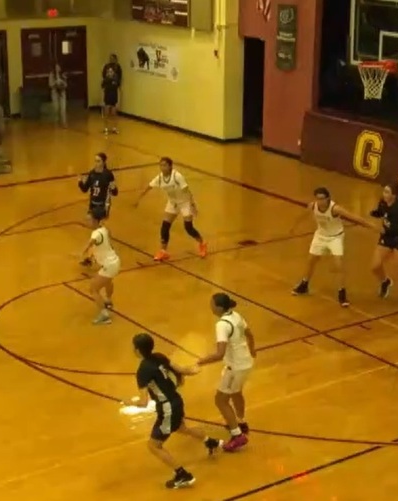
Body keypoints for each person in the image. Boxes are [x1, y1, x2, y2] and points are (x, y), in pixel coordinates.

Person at [124, 333, 222, 489]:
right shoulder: (159, 356)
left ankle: (182, 474)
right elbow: (182, 369)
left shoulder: (143, 370)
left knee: (154, 445)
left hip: (167, 407)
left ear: (137, 350)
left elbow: (143, 402)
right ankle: (211, 442)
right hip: (176, 400)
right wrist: (195, 368)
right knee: (182, 428)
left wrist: (129, 402)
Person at [290, 187, 377, 307]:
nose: (320, 201)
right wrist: (295, 226)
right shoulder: (313, 206)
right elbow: (303, 215)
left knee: (338, 264)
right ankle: (304, 284)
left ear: (328, 198)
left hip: (335, 237)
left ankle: (342, 292)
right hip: (320, 235)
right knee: (311, 260)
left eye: (322, 198)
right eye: (318, 198)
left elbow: (354, 218)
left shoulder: (335, 209)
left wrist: (371, 226)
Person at [195, 293, 255, 453]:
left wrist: (202, 361)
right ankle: (241, 423)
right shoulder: (236, 315)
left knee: (220, 400)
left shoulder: (222, 324)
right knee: (236, 393)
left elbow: (220, 353)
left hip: (234, 367)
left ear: (219, 307)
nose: (210, 306)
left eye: (212, 304)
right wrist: (252, 349)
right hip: (246, 363)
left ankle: (237, 436)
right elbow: (249, 333)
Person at [133, 157, 208, 261]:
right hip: (173, 202)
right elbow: (149, 187)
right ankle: (163, 251)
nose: (162, 168)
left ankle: (202, 243)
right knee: (165, 226)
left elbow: (186, 190)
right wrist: (139, 199)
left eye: (164, 165)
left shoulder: (177, 176)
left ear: (170, 166)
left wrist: (193, 205)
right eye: (161, 165)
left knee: (188, 227)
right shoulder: (159, 178)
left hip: (184, 202)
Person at [79, 208, 120, 325]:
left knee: (93, 289)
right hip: (115, 261)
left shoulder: (96, 233)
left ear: (96, 221)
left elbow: (90, 243)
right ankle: (108, 300)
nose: (87, 222)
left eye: (89, 220)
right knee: (108, 281)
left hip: (109, 264)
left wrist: (80, 253)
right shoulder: (104, 229)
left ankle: (104, 315)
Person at [101, 65, 120, 135]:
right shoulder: (105, 80)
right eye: (108, 71)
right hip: (107, 99)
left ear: (113, 72)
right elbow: (102, 90)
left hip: (114, 99)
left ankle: (114, 128)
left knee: (114, 114)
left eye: (111, 71)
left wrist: (118, 101)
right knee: (106, 114)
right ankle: (106, 128)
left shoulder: (116, 80)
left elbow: (118, 90)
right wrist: (102, 101)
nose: (110, 73)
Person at [48, 63, 67, 127]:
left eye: (58, 67)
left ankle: (64, 123)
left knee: (63, 108)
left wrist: (61, 82)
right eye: (56, 67)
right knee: (56, 108)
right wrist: (55, 83)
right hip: (55, 93)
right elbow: (50, 85)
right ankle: (56, 122)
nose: (57, 68)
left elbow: (66, 85)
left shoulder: (63, 75)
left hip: (62, 93)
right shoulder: (51, 74)